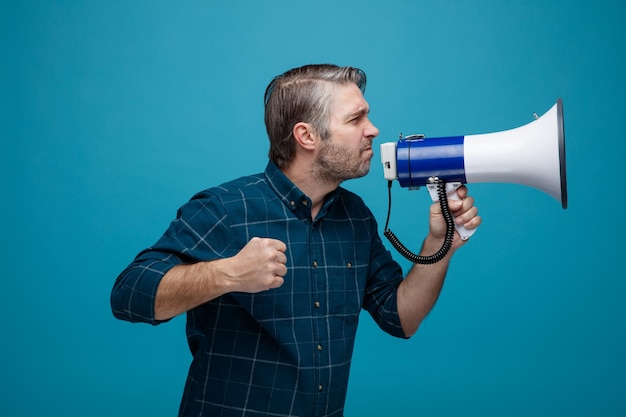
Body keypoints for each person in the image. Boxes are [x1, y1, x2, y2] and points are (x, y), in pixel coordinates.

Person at [111, 64, 481, 417]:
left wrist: (440, 243)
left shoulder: (355, 217)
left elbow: (401, 318)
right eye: (356, 119)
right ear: (307, 136)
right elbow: (128, 296)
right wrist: (229, 274)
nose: (373, 130)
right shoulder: (226, 207)